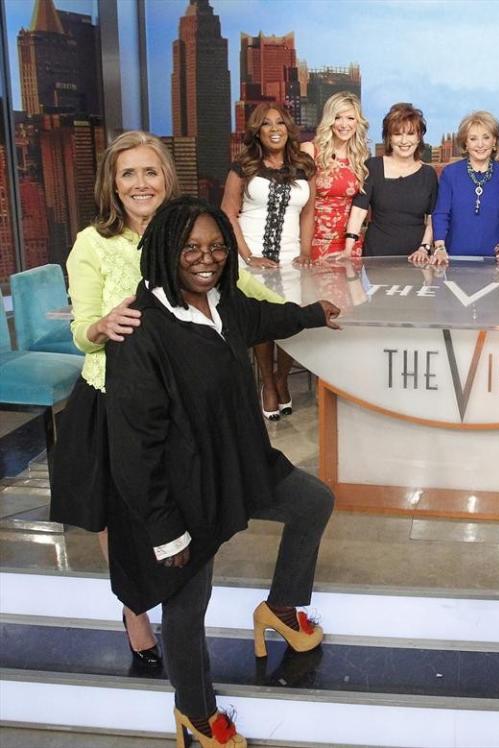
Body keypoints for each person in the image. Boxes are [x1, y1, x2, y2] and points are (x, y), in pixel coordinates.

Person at [104, 196, 339, 747]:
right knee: (188, 604)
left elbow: (266, 318)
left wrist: (313, 314)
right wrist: (165, 532)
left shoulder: (224, 304)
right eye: (191, 248)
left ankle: (281, 606)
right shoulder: (142, 329)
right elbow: (134, 447)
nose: (205, 259)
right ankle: (196, 712)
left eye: (215, 247)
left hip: (239, 468)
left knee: (312, 501)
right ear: (166, 250)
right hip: (183, 494)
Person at [49, 131, 281, 671]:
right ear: (113, 183)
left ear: (166, 177)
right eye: (127, 173)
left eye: (149, 171)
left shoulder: (189, 230)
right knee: (118, 516)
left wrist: (297, 308)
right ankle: (135, 614)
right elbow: (80, 331)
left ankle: (179, 609)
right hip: (111, 402)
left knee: (179, 507)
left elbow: (244, 289)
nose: (139, 183)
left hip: (183, 406)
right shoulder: (91, 244)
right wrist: (102, 326)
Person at [222, 103, 317, 419]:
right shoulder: (243, 167)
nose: (274, 128)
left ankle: (281, 378)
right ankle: (268, 383)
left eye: (280, 122)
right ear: (257, 132)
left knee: (290, 320)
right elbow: (227, 214)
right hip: (253, 259)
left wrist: (305, 252)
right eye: (266, 124)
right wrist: (248, 256)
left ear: (289, 128)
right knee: (263, 322)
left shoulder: (304, 166)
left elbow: (308, 213)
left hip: (292, 260)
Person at [342, 103, 438, 261]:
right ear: (389, 138)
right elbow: (359, 212)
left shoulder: (428, 174)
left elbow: (432, 218)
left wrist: (424, 247)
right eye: (397, 134)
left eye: (410, 133)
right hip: (377, 254)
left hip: (416, 258)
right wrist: (347, 250)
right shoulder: (373, 166)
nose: (404, 140)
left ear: (419, 137)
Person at [431, 111, 499, 264]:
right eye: (473, 138)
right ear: (465, 143)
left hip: (494, 264)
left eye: (486, 137)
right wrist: (439, 247)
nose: (480, 144)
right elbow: (441, 214)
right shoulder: (450, 174)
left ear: (494, 141)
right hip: (454, 261)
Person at [301, 91, 369, 260]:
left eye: (350, 118)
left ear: (357, 122)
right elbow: (298, 202)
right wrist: (304, 250)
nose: (344, 124)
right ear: (329, 120)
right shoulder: (310, 150)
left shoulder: (360, 157)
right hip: (314, 243)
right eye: (338, 117)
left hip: (349, 246)